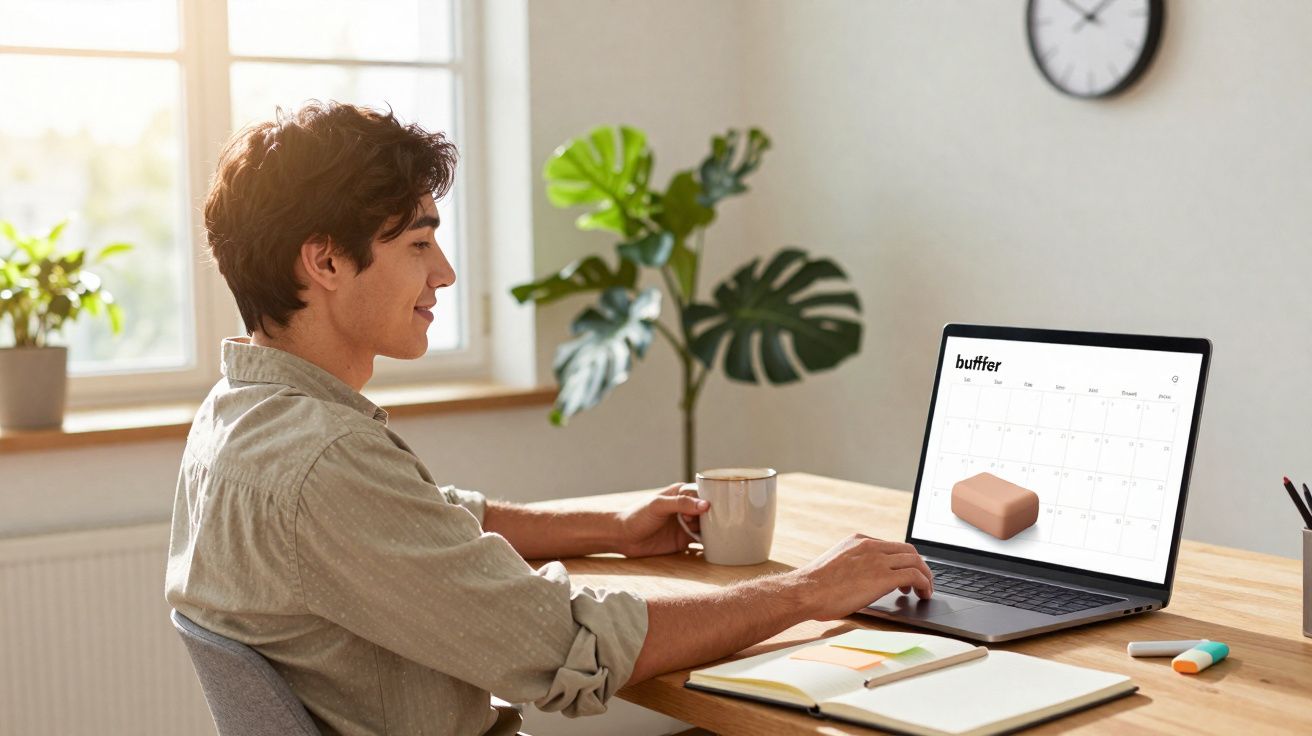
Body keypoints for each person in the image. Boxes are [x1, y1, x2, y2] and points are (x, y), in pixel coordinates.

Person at [165, 101, 934, 736]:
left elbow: (426, 521)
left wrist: (609, 528)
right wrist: (808, 591)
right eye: (418, 243)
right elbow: (566, 646)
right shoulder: (322, 460)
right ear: (325, 262)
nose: (444, 273)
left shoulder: (240, 418)